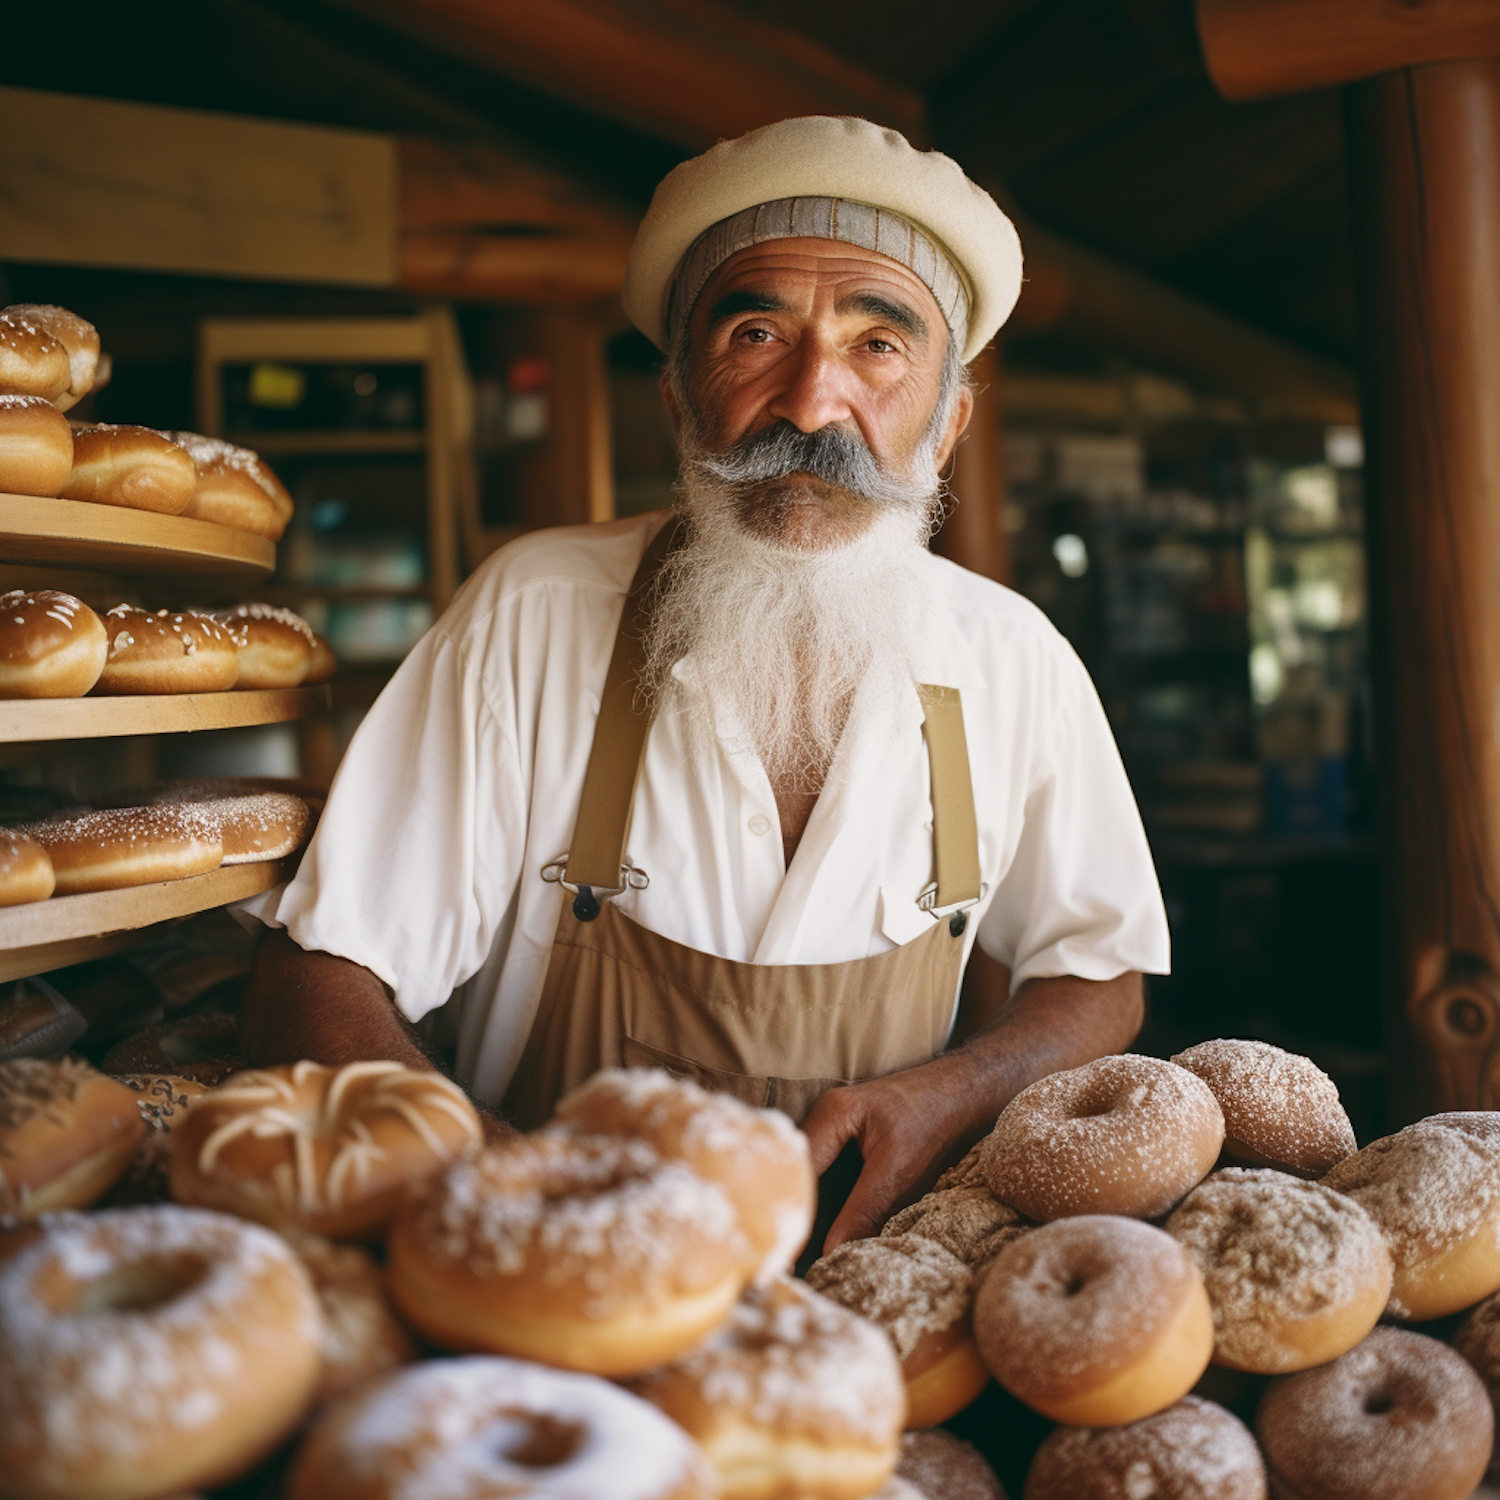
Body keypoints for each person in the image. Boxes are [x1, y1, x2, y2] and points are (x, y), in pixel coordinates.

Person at [238, 115, 1169, 1252]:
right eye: (757, 330)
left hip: (875, 1307)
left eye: (880, 346)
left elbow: (1100, 974)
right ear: (680, 397)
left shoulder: (1015, 661)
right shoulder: (533, 615)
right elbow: (319, 976)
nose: (812, 403)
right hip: (548, 1295)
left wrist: (960, 1091)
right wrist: (493, 1183)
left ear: (948, 423)